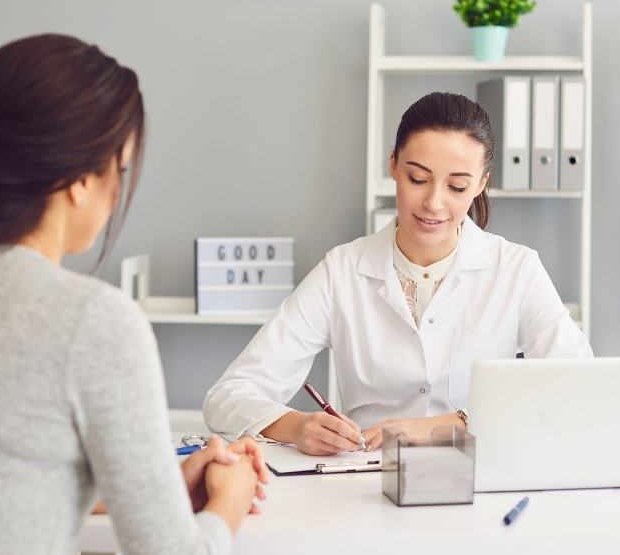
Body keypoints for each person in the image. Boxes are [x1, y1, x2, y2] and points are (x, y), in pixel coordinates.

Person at [0, 34, 267, 555]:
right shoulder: (91, 321)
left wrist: (162, 485)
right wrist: (229, 503)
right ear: (82, 179)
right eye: (119, 169)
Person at [203, 91, 592, 456]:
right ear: (393, 164)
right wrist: (295, 426)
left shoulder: (516, 270)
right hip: (367, 480)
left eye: (457, 186)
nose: (434, 203)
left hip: (480, 478)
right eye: (417, 179)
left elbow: (579, 384)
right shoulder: (342, 272)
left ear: (481, 185)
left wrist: (448, 425)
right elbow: (228, 396)